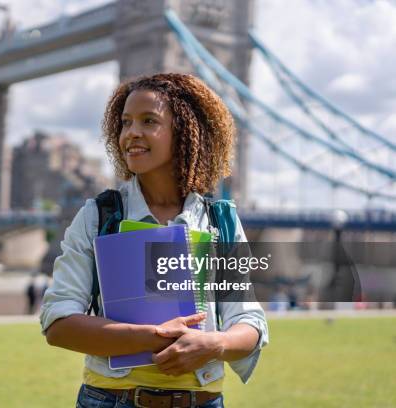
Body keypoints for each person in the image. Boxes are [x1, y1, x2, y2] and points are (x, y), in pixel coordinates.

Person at [40, 73, 269, 408]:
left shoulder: (221, 221)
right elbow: (58, 323)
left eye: (149, 121)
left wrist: (214, 345)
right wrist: (153, 336)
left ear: (186, 131)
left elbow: (249, 323)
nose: (132, 133)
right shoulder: (98, 217)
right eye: (126, 122)